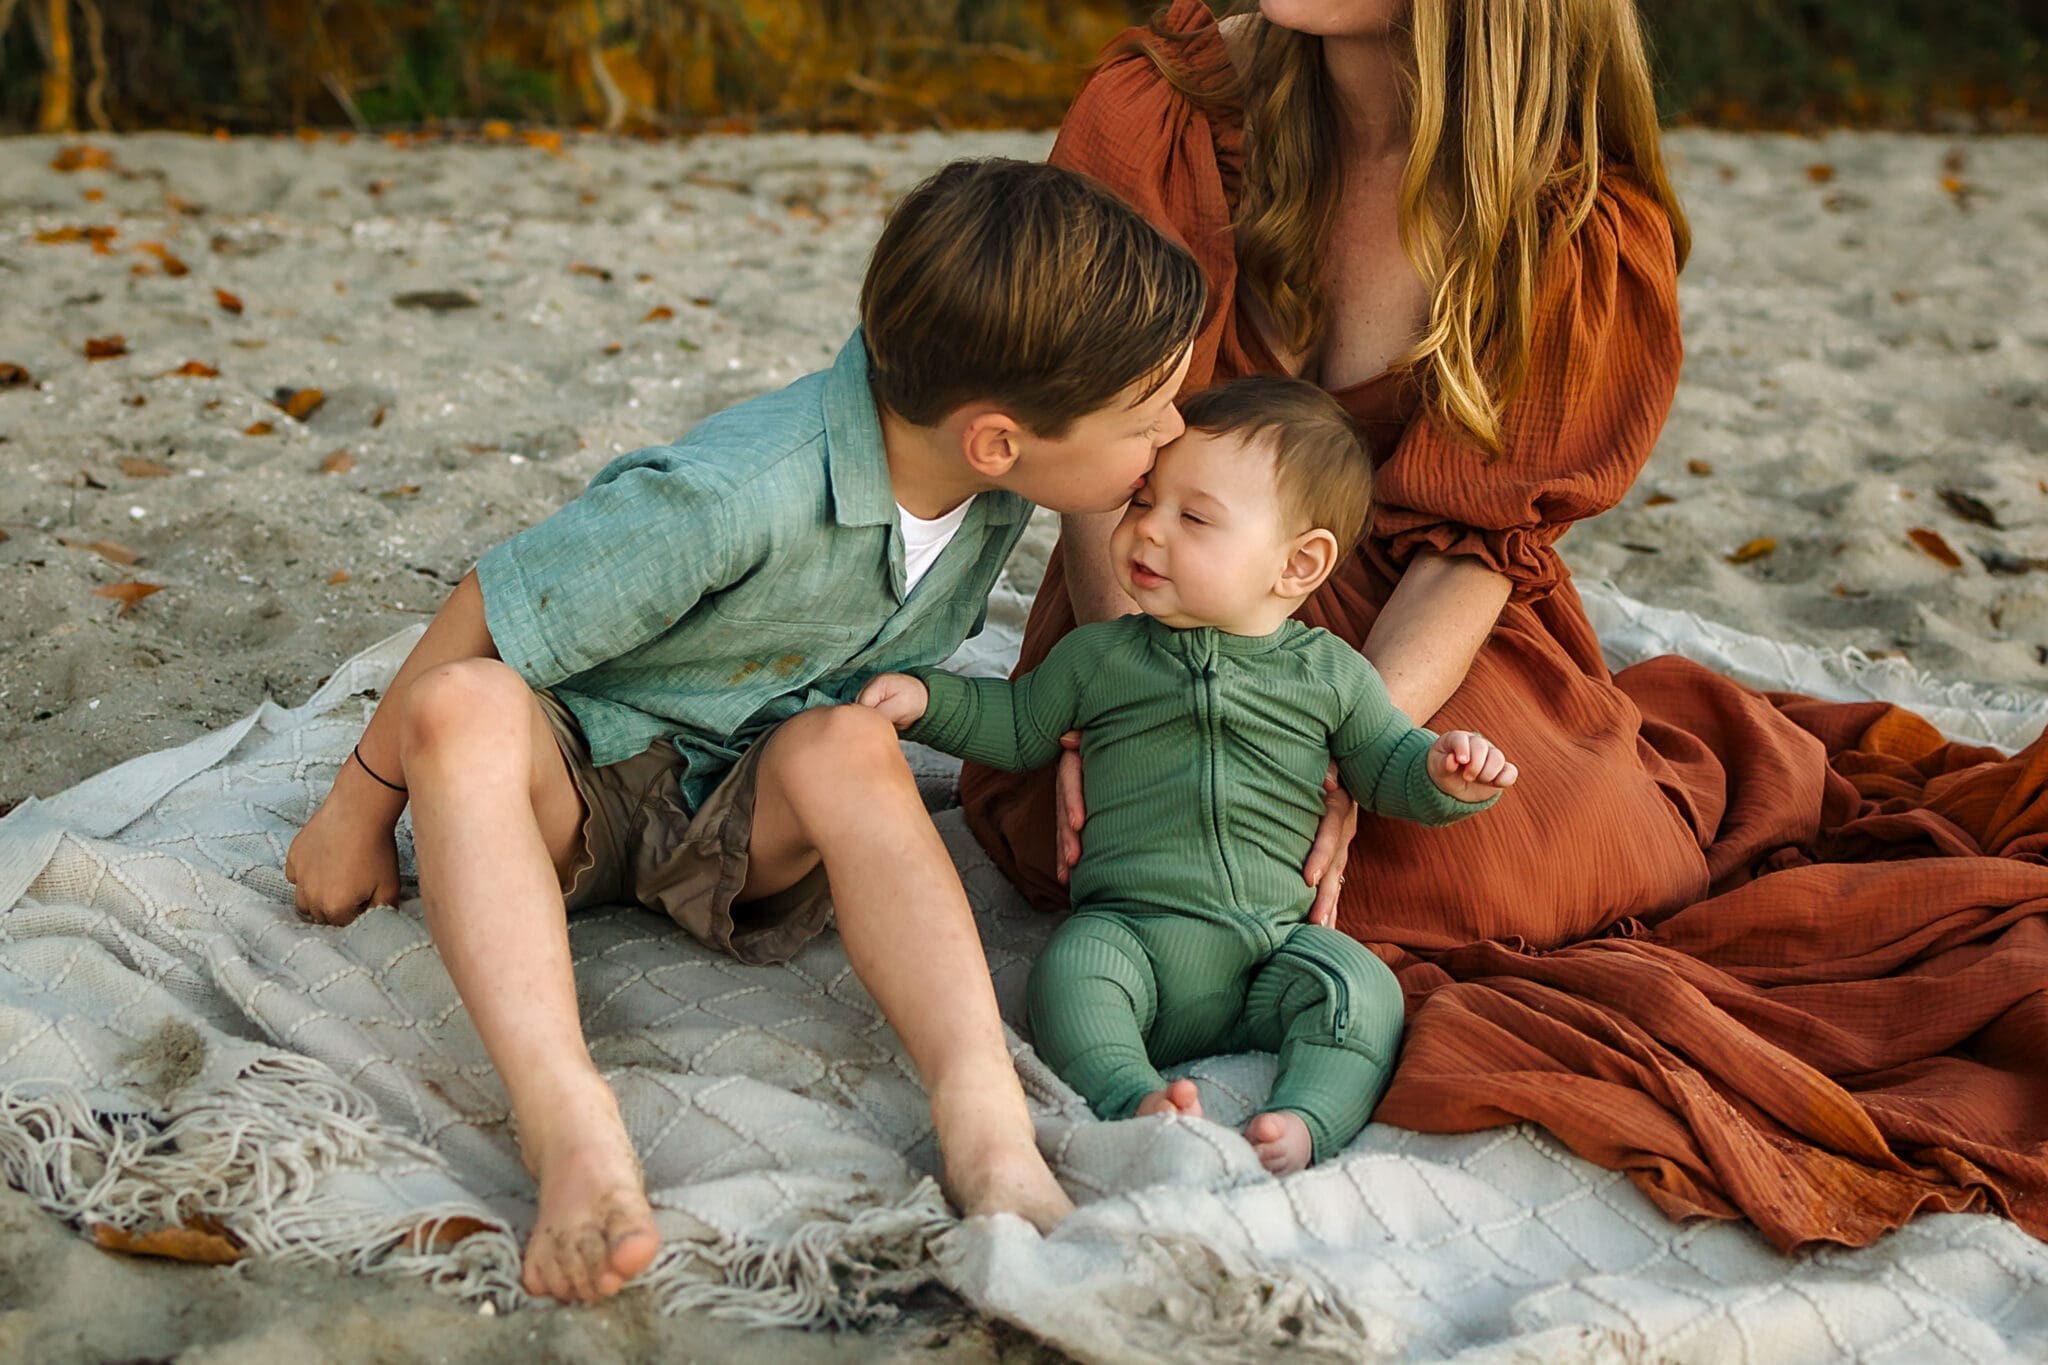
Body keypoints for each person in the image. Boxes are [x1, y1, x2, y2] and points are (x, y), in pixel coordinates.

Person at [959, 0, 2048, 1251]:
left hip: (1420, 623)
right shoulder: (1162, 109)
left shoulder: (1571, 219)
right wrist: (1125, 697)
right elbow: (1093, 443)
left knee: (1477, 866)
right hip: (1149, 590)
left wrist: (1334, 747)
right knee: (1112, 856)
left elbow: (1476, 542)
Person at [284, 156, 1209, 1303]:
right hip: (572, 781)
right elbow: (497, 600)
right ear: (995, 439)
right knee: (458, 704)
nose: (1170, 428)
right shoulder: (732, 496)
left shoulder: (1000, 488)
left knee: (854, 744)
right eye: (1144, 415)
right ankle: (569, 1118)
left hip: (743, 812)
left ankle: (983, 1119)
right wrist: (355, 807)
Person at [862, 376, 1515, 1175]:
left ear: (1297, 563)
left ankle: (1310, 1118)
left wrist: (1446, 775)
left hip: (1273, 955)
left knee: (1361, 988)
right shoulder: (1099, 655)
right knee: (1070, 973)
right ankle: (1132, 1093)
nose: (1148, 533)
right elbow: (1020, 723)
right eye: (1143, 503)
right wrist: (928, 699)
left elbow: (1386, 766)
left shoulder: (1331, 674)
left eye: (1193, 516)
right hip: (1133, 936)